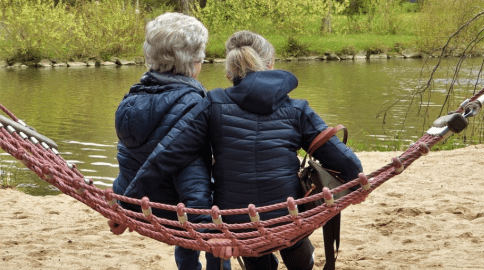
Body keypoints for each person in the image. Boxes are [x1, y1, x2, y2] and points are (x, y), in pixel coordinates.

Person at [127, 30, 363, 270]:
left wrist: (127, 203)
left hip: (237, 223)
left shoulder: (212, 103)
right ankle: (303, 260)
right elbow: (347, 163)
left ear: (229, 73)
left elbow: (167, 155)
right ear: (270, 66)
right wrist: (357, 183)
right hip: (287, 216)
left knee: (252, 243)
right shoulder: (298, 109)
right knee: (292, 231)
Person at [109, 12, 230, 270]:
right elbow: (194, 181)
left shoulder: (129, 101)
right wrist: (210, 234)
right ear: (195, 62)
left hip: (141, 204)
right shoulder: (196, 106)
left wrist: (122, 204)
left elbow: (128, 158)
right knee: (221, 201)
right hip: (180, 213)